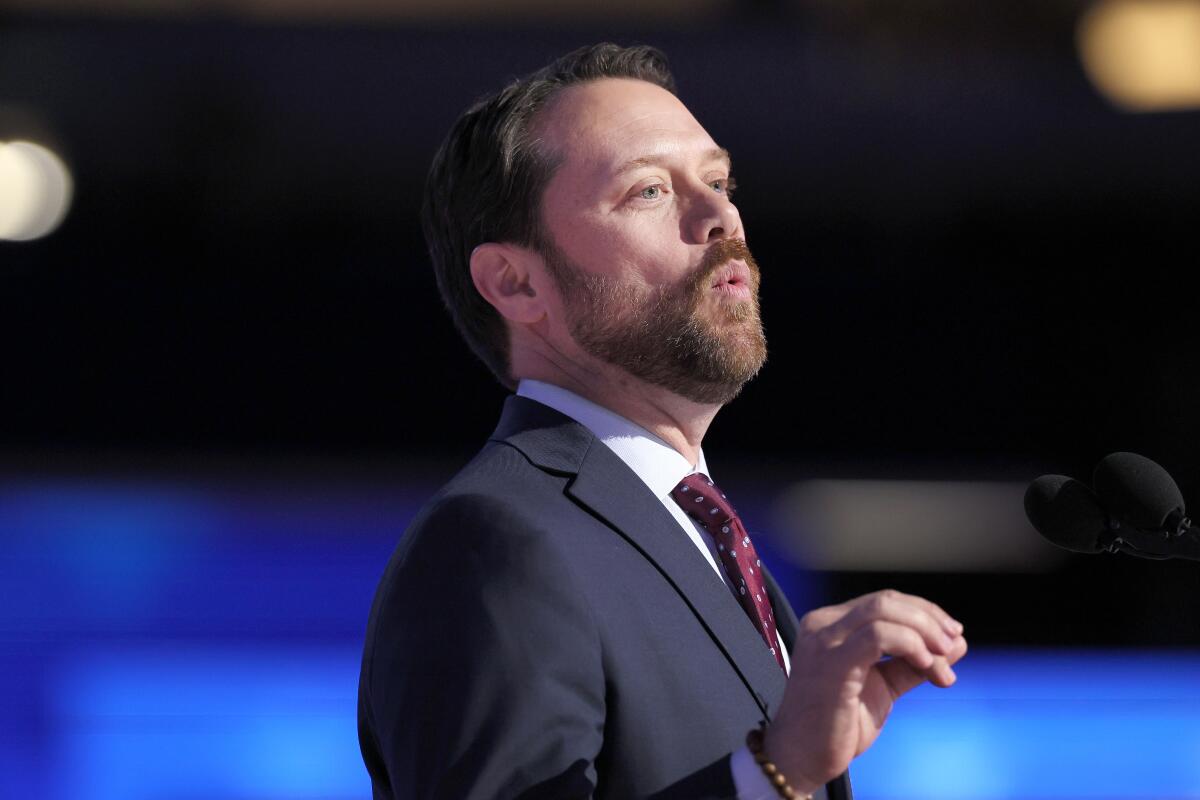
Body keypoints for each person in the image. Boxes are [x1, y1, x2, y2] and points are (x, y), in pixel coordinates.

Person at [357, 42, 968, 800]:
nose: (720, 216)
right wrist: (770, 775)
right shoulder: (494, 543)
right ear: (515, 283)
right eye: (648, 191)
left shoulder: (698, 534)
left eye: (718, 180)